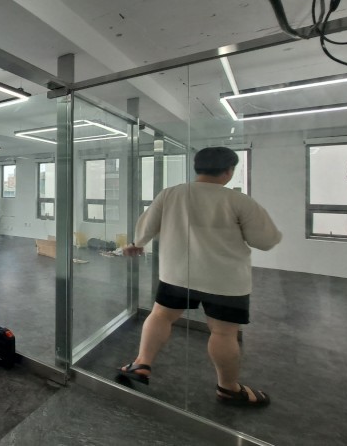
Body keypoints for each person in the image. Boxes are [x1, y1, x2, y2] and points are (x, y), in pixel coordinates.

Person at [118, 147, 281, 407]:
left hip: (177, 274)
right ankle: (228, 388)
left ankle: (141, 363)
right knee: (224, 333)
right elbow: (266, 240)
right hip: (225, 281)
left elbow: (146, 226)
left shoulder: (171, 194)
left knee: (161, 316)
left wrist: (136, 244)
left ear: (197, 168)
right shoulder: (238, 201)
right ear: (228, 171)